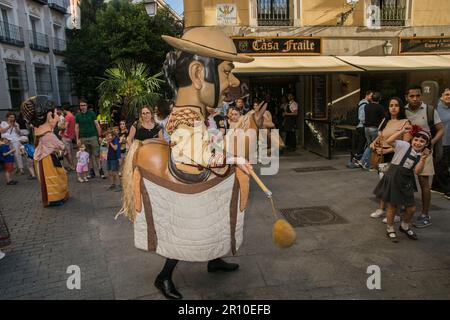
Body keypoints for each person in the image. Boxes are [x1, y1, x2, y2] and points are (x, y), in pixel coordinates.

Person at [119, 28, 261, 300]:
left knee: (216, 219)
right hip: (191, 179)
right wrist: (234, 158)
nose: (233, 80)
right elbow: (196, 149)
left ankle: (213, 258)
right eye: (226, 72)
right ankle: (164, 277)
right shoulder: (185, 118)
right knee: (185, 230)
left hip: (204, 170)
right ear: (198, 75)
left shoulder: (195, 110)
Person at [373, 125, 431, 242]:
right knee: (393, 206)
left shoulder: (420, 155)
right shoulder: (404, 145)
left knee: (412, 208)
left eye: (422, 141)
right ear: (412, 139)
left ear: (426, 144)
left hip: (406, 181)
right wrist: (402, 131)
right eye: (416, 139)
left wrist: (424, 158)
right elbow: (389, 141)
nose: (418, 143)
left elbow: (417, 171)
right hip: (394, 177)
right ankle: (390, 228)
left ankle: (404, 226)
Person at [404, 85, 444, 228]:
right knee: (405, 181)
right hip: (407, 151)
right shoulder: (404, 111)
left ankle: (425, 214)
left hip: (425, 153)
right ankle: (405, 210)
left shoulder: (429, 110)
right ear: (406, 97)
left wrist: (430, 143)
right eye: (412, 96)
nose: (415, 98)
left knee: (424, 183)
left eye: (418, 95)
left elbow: (440, 130)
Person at [21, 96, 69, 207]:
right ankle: (55, 199)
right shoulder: (48, 135)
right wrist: (63, 148)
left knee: (48, 179)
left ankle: (54, 198)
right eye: (55, 114)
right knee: (55, 178)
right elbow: (61, 146)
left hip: (42, 159)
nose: (57, 117)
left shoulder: (38, 133)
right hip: (49, 160)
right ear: (48, 116)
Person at [369, 97, 411, 220]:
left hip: (396, 156)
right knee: (383, 183)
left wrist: (388, 150)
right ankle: (382, 209)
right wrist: (373, 143)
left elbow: (406, 144)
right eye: (391, 105)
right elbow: (381, 136)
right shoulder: (385, 120)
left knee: (394, 185)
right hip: (382, 156)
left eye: (396, 105)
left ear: (401, 107)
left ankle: (395, 213)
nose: (393, 107)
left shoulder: (405, 122)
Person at [75, 99, 102, 179]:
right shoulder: (78, 115)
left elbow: (97, 125)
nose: (82, 107)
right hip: (83, 137)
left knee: (96, 154)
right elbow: (76, 127)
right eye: (81, 105)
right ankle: (91, 171)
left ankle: (100, 170)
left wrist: (99, 136)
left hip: (93, 136)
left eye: (84, 105)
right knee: (88, 155)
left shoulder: (92, 113)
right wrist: (77, 139)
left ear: (87, 106)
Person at [431, 88, 450, 199]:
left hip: (449, 142)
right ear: (442, 95)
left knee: (441, 165)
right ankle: (448, 189)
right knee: (442, 167)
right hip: (441, 142)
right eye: (447, 94)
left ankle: (435, 186)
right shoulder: (436, 108)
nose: (449, 97)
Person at [359, 92, 385, 170]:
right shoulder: (380, 107)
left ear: (371, 98)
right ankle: (367, 163)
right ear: (379, 99)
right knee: (374, 146)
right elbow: (383, 119)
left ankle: (364, 161)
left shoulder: (366, 106)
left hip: (366, 128)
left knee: (369, 145)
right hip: (374, 128)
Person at [354, 90, 374, 162]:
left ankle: (359, 158)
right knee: (363, 143)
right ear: (367, 95)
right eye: (371, 96)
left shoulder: (364, 103)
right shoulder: (364, 104)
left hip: (361, 126)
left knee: (362, 143)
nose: (372, 98)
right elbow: (362, 117)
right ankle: (359, 158)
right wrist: (368, 123)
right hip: (362, 126)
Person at [59, 106, 76, 171]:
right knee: (70, 152)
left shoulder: (67, 117)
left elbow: (65, 126)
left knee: (67, 152)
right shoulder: (73, 116)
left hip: (65, 136)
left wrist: (60, 127)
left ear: (64, 110)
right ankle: (72, 165)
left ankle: (72, 166)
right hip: (71, 136)